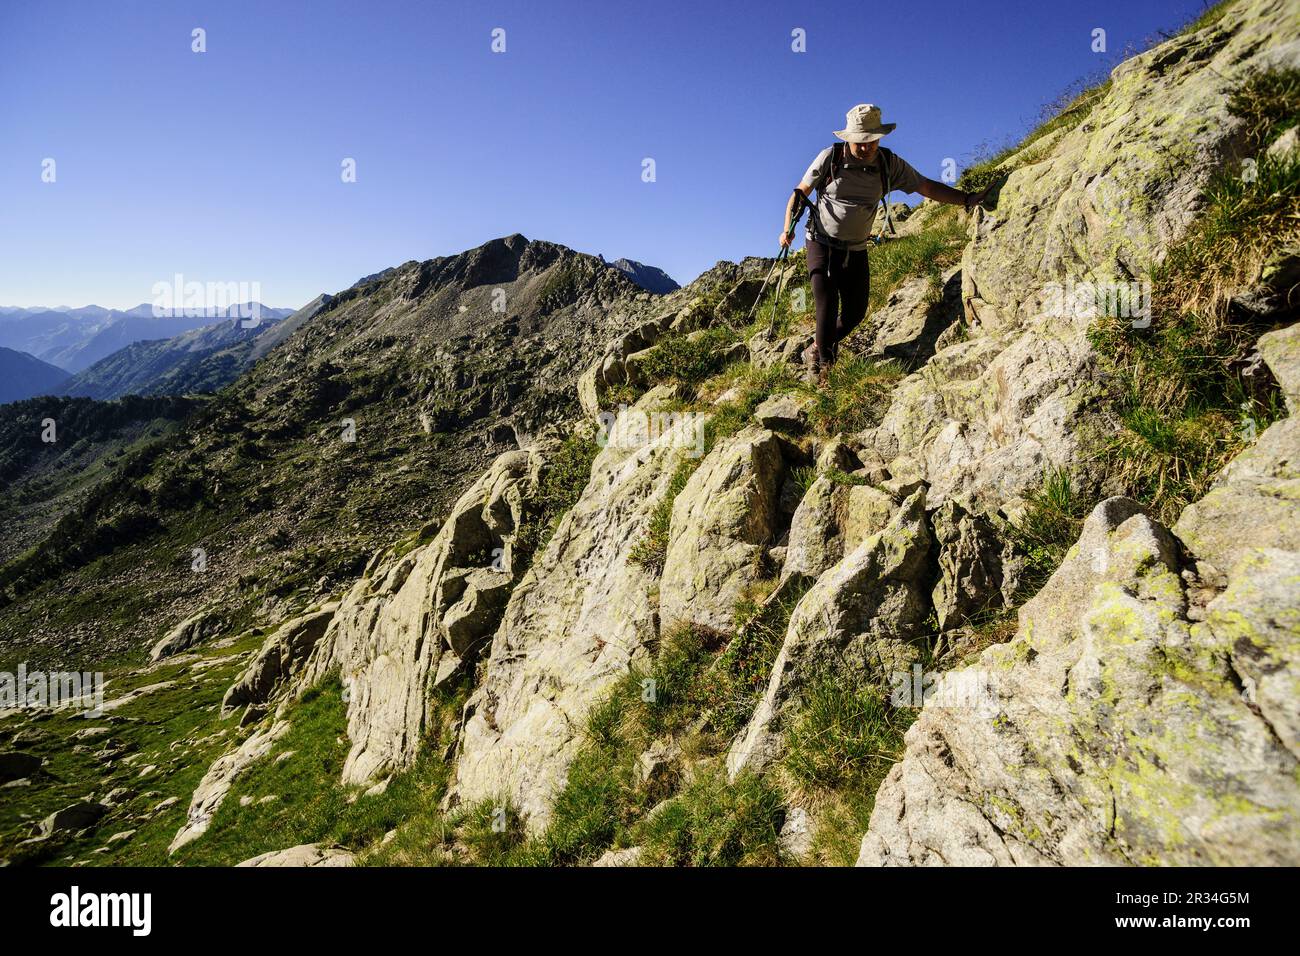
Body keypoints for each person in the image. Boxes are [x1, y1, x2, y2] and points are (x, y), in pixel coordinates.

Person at [781, 104, 993, 382]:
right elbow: (799, 193)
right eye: (860, 140)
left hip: (855, 248)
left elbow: (925, 186)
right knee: (827, 302)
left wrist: (966, 198)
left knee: (856, 312)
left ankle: (816, 347)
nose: (866, 146)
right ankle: (822, 372)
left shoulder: (888, 164)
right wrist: (787, 228)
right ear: (849, 138)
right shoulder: (829, 158)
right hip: (820, 242)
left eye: (872, 140)